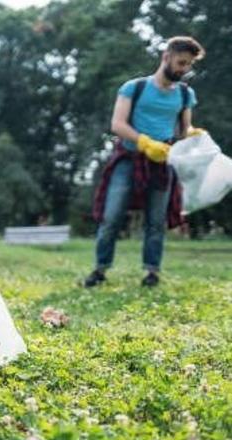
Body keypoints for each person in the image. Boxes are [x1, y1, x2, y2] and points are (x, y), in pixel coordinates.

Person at [84, 36, 205, 288]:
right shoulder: (134, 87)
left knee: (156, 221)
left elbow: (184, 130)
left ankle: (152, 272)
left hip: (163, 162)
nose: (184, 69)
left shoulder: (185, 94)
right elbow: (117, 124)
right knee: (112, 216)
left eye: (189, 65)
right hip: (129, 159)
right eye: (181, 62)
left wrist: (192, 133)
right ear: (166, 57)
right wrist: (145, 143)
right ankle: (100, 269)